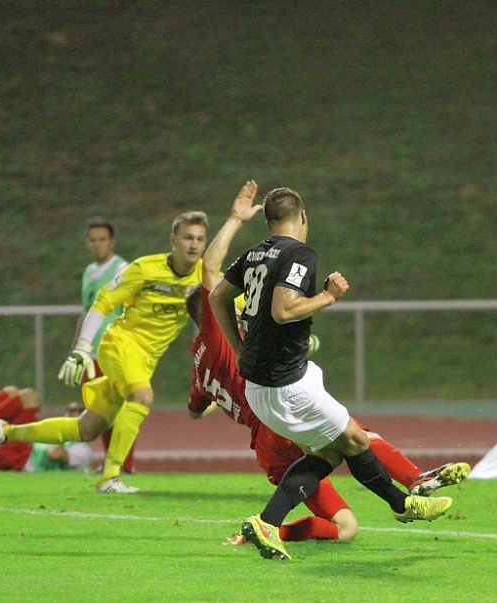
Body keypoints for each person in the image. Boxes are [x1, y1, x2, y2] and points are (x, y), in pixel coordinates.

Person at [187, 181, 469, 544]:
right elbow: (282, 309)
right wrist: (328, 296)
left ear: (268, 223)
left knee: (334, 451)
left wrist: (241, 353)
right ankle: (405, 502)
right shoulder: (298, 254)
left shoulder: (253, 256)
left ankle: (269, 524)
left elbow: (219, 299)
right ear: (303, 217)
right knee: (356, 439)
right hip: (285, 388)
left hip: (265, 392)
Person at [0, 211, 210, 493]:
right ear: (173, 240)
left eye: (200, 239)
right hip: (120, 344)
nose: (193, 244)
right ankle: (111, 476)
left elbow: (236, 303)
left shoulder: (205, 276)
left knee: (86, 429)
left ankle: (5, 431)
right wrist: (83, 346)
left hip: (145, 360)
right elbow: (102, 303)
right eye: (187, 237)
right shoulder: (144, 269)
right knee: (143, 396)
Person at [68, 216, 136, 475]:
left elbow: (131, 307)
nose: (97, 244)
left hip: (112, 350)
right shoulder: (88, 272)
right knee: (100, 410)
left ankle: (124, 465)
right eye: (93, 240)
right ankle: (111, 462)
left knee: (119, 409)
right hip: (91, 353)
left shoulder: (122, 268)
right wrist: (77, 348)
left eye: (102, 239)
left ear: (112, 242)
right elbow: (86, 311)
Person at [0, 388, 92, 473]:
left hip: (21, 459)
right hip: (10, 450)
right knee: (12, 391)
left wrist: (60, 432)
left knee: (30, 397)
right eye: (69, 413)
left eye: (78, 413)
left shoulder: (82, 449)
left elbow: (55, 454)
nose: (71, 417)